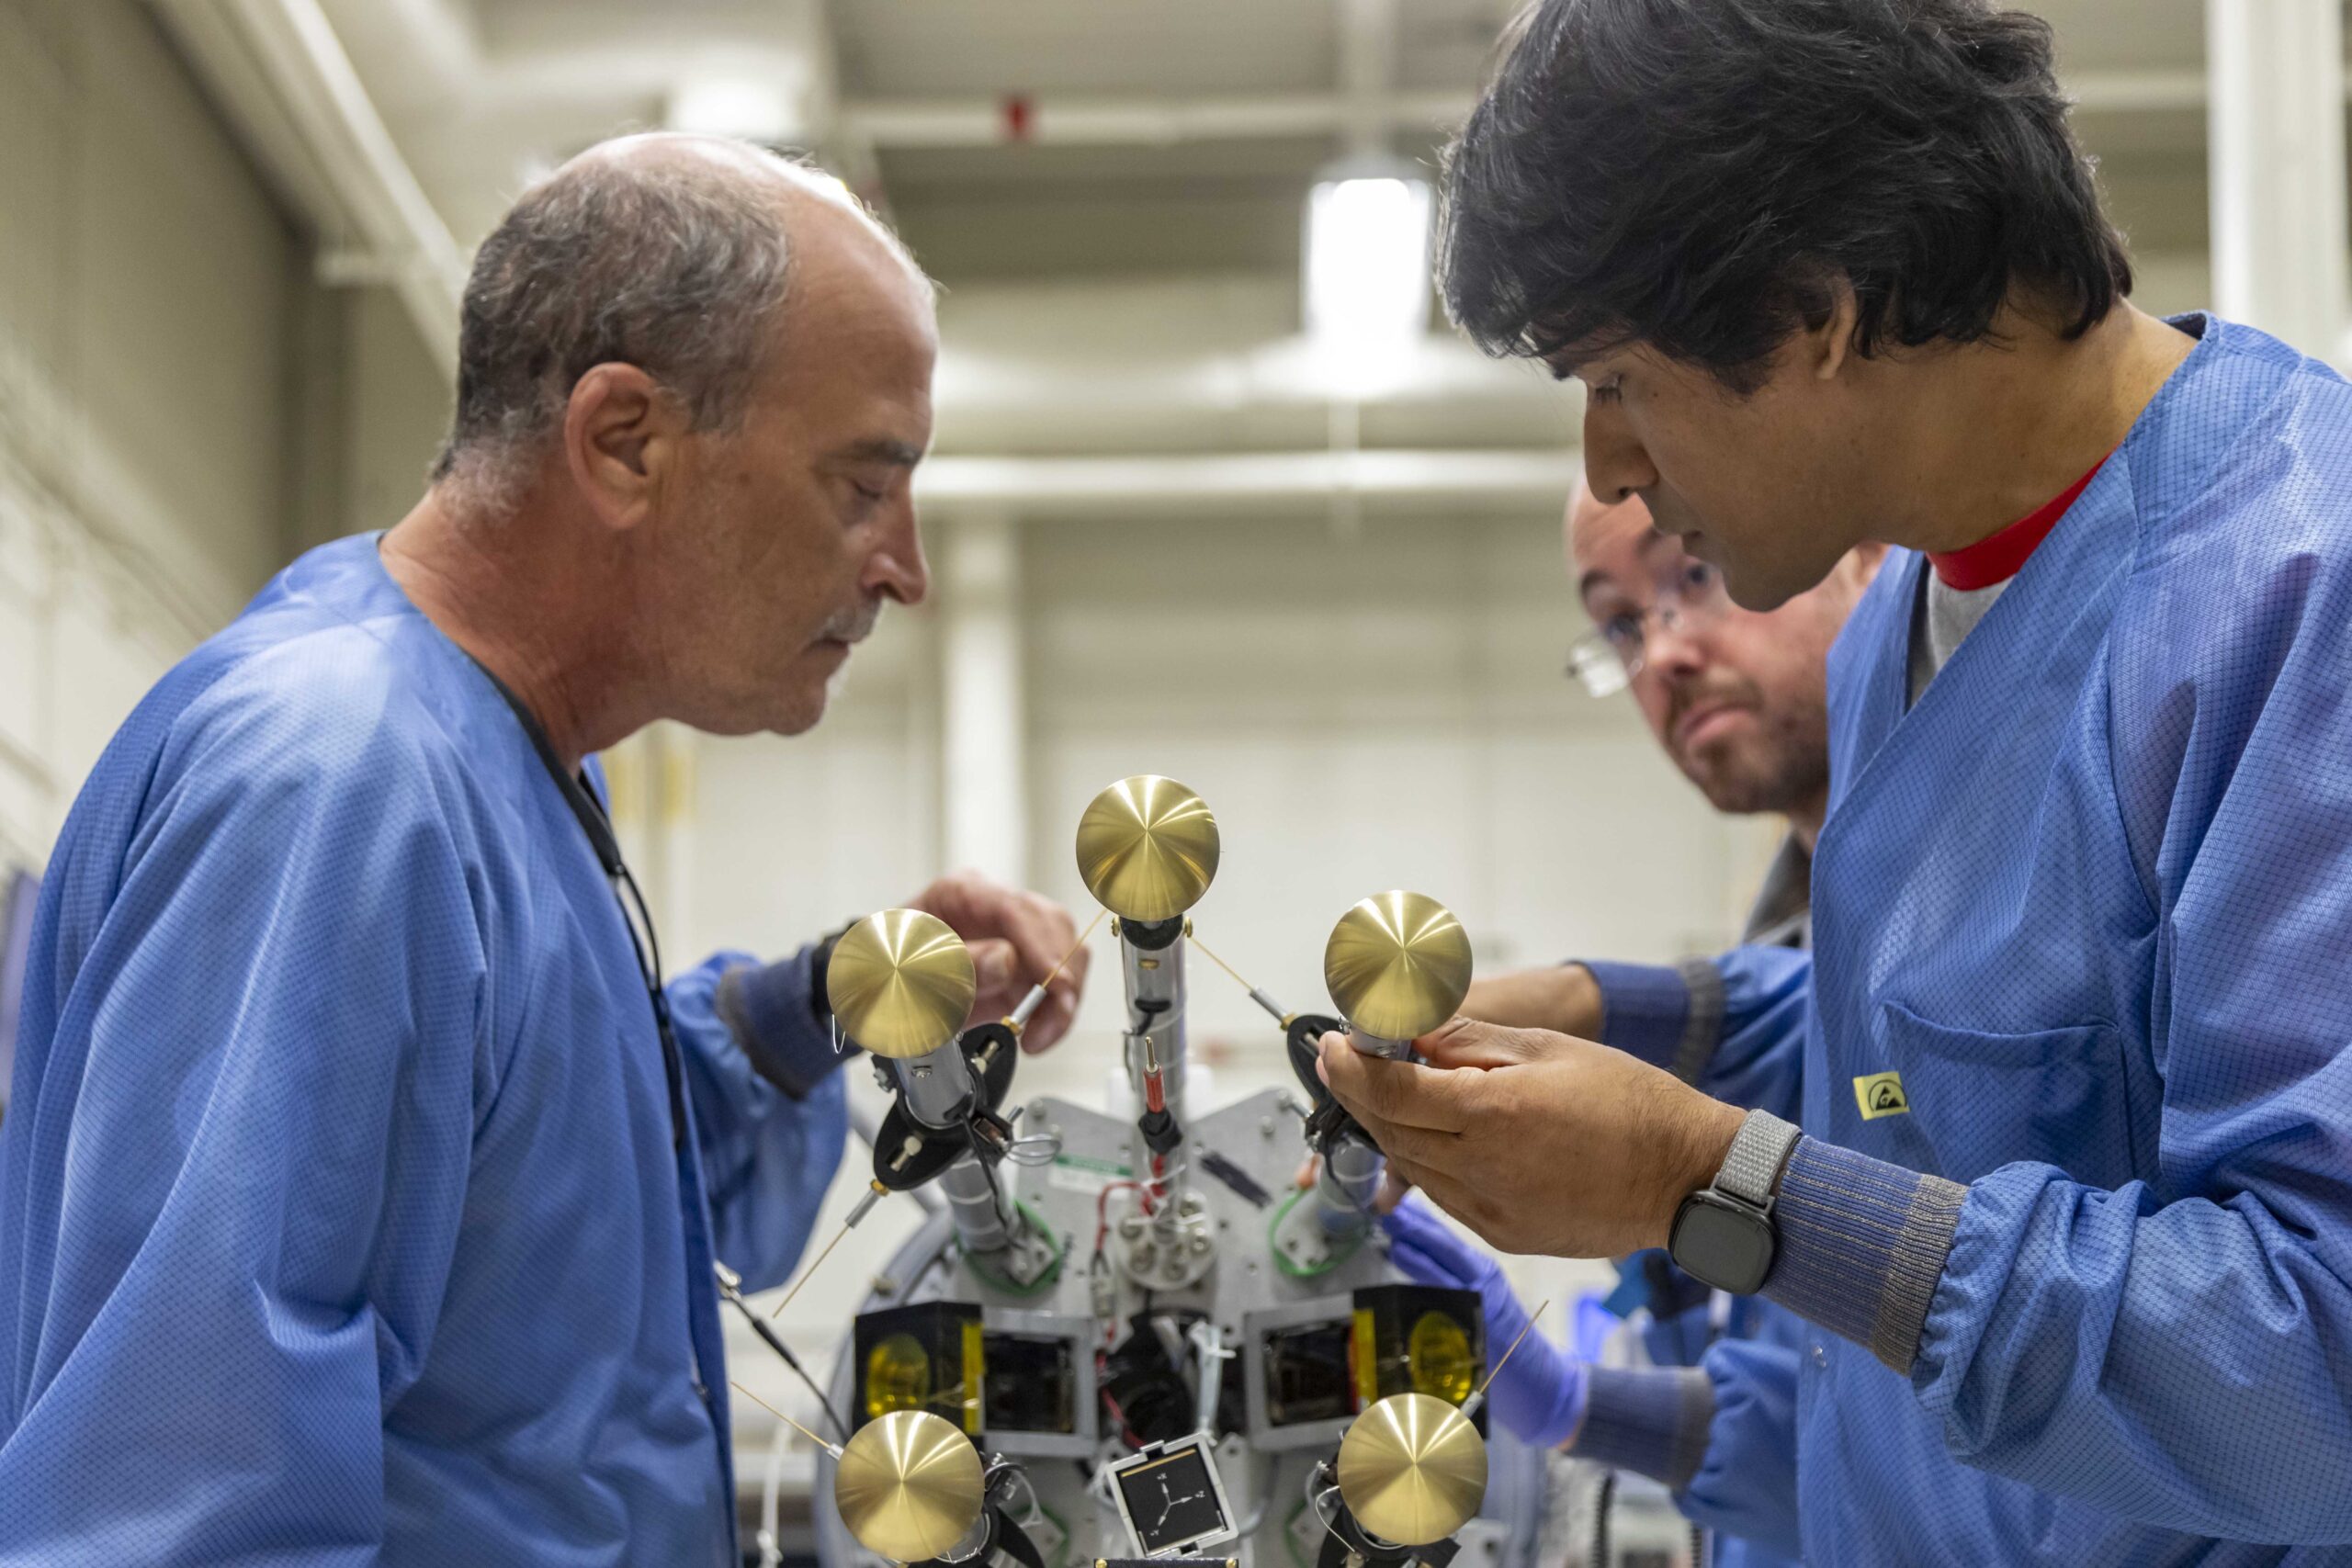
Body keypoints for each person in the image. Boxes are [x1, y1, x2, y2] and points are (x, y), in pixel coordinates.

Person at [1320, 2, 2352, 1562]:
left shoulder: (2295, 597)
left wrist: (1703, 1181)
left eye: (1616, 379)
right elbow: (1979, 1057)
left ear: (1817, 308)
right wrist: (1614, 1015)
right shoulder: (1897, 636)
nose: (1607, 467)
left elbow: (2311, 1362)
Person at [0, 135, 1091, 1566]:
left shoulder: (484, 761)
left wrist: (810, 1002)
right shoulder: (339, 783)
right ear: (626, 441)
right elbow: (182, 1504)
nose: (904, 566)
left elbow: (545, 1213)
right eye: (859, 485)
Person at [1385, 486, 1875, 1567]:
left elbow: (1951, 1442)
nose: (1662, 654)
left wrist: (1572, 1405)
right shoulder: (1799, 933)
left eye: (1694, 573)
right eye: (1618, 622)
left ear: (1875, 553)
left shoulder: (1992, 907)